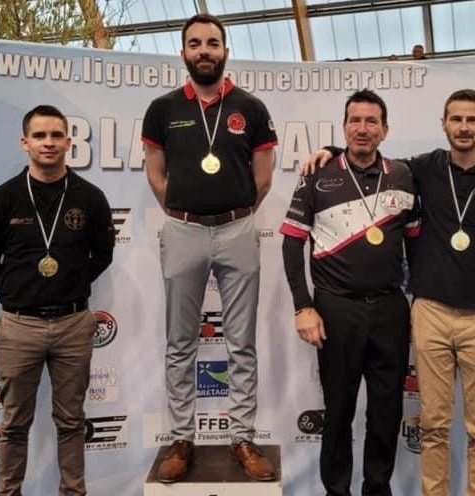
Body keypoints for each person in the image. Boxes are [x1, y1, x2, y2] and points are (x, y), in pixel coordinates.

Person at [302, 89, 475, 496]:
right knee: (433, 425)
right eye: (456, 119)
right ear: (444, 124)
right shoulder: (422, 169)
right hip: (429, 313)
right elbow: (365, 154)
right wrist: (329, 150)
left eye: (472, 120)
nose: (463, 128)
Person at [142, 12, 277, 484]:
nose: (204, 50)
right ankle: (182, 438)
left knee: (241, 343)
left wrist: (234, 214)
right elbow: (155, 173)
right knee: (181, 343)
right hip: (182, 231)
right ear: (183, 53)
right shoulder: (163, 109)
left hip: (239, 231)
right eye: (195, 43)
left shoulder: (251, 108)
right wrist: (183, 212)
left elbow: (263, 178)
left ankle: (242, 437)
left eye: (212, 43)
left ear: (225, 50)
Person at [281, 90, 418, 496]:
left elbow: (418, 245)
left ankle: (378, 488)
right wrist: (303, 306)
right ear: (344, 127)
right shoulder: (317, 174)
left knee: (387, 412)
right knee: (338, 412)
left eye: (371, 121)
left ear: (385, 129)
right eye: (355, 120)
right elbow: (291, 244)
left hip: (392, 310)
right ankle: (336, 491)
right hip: (336, 309)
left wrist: (421, 302)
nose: (362, 128)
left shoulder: (404, 175)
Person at [0, 104, 115, 496]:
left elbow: (103, 254)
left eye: (56, 135)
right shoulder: (3, 198)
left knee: (71, 421)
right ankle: (8, 493)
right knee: (15, 423)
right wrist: (16, 290)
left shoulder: (90, 197)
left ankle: (73, 492)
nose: (48, 143)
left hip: (73, 324)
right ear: (25, 143)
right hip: (19, 326)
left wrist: (70, 283)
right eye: (39, 136)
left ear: (69, 142)